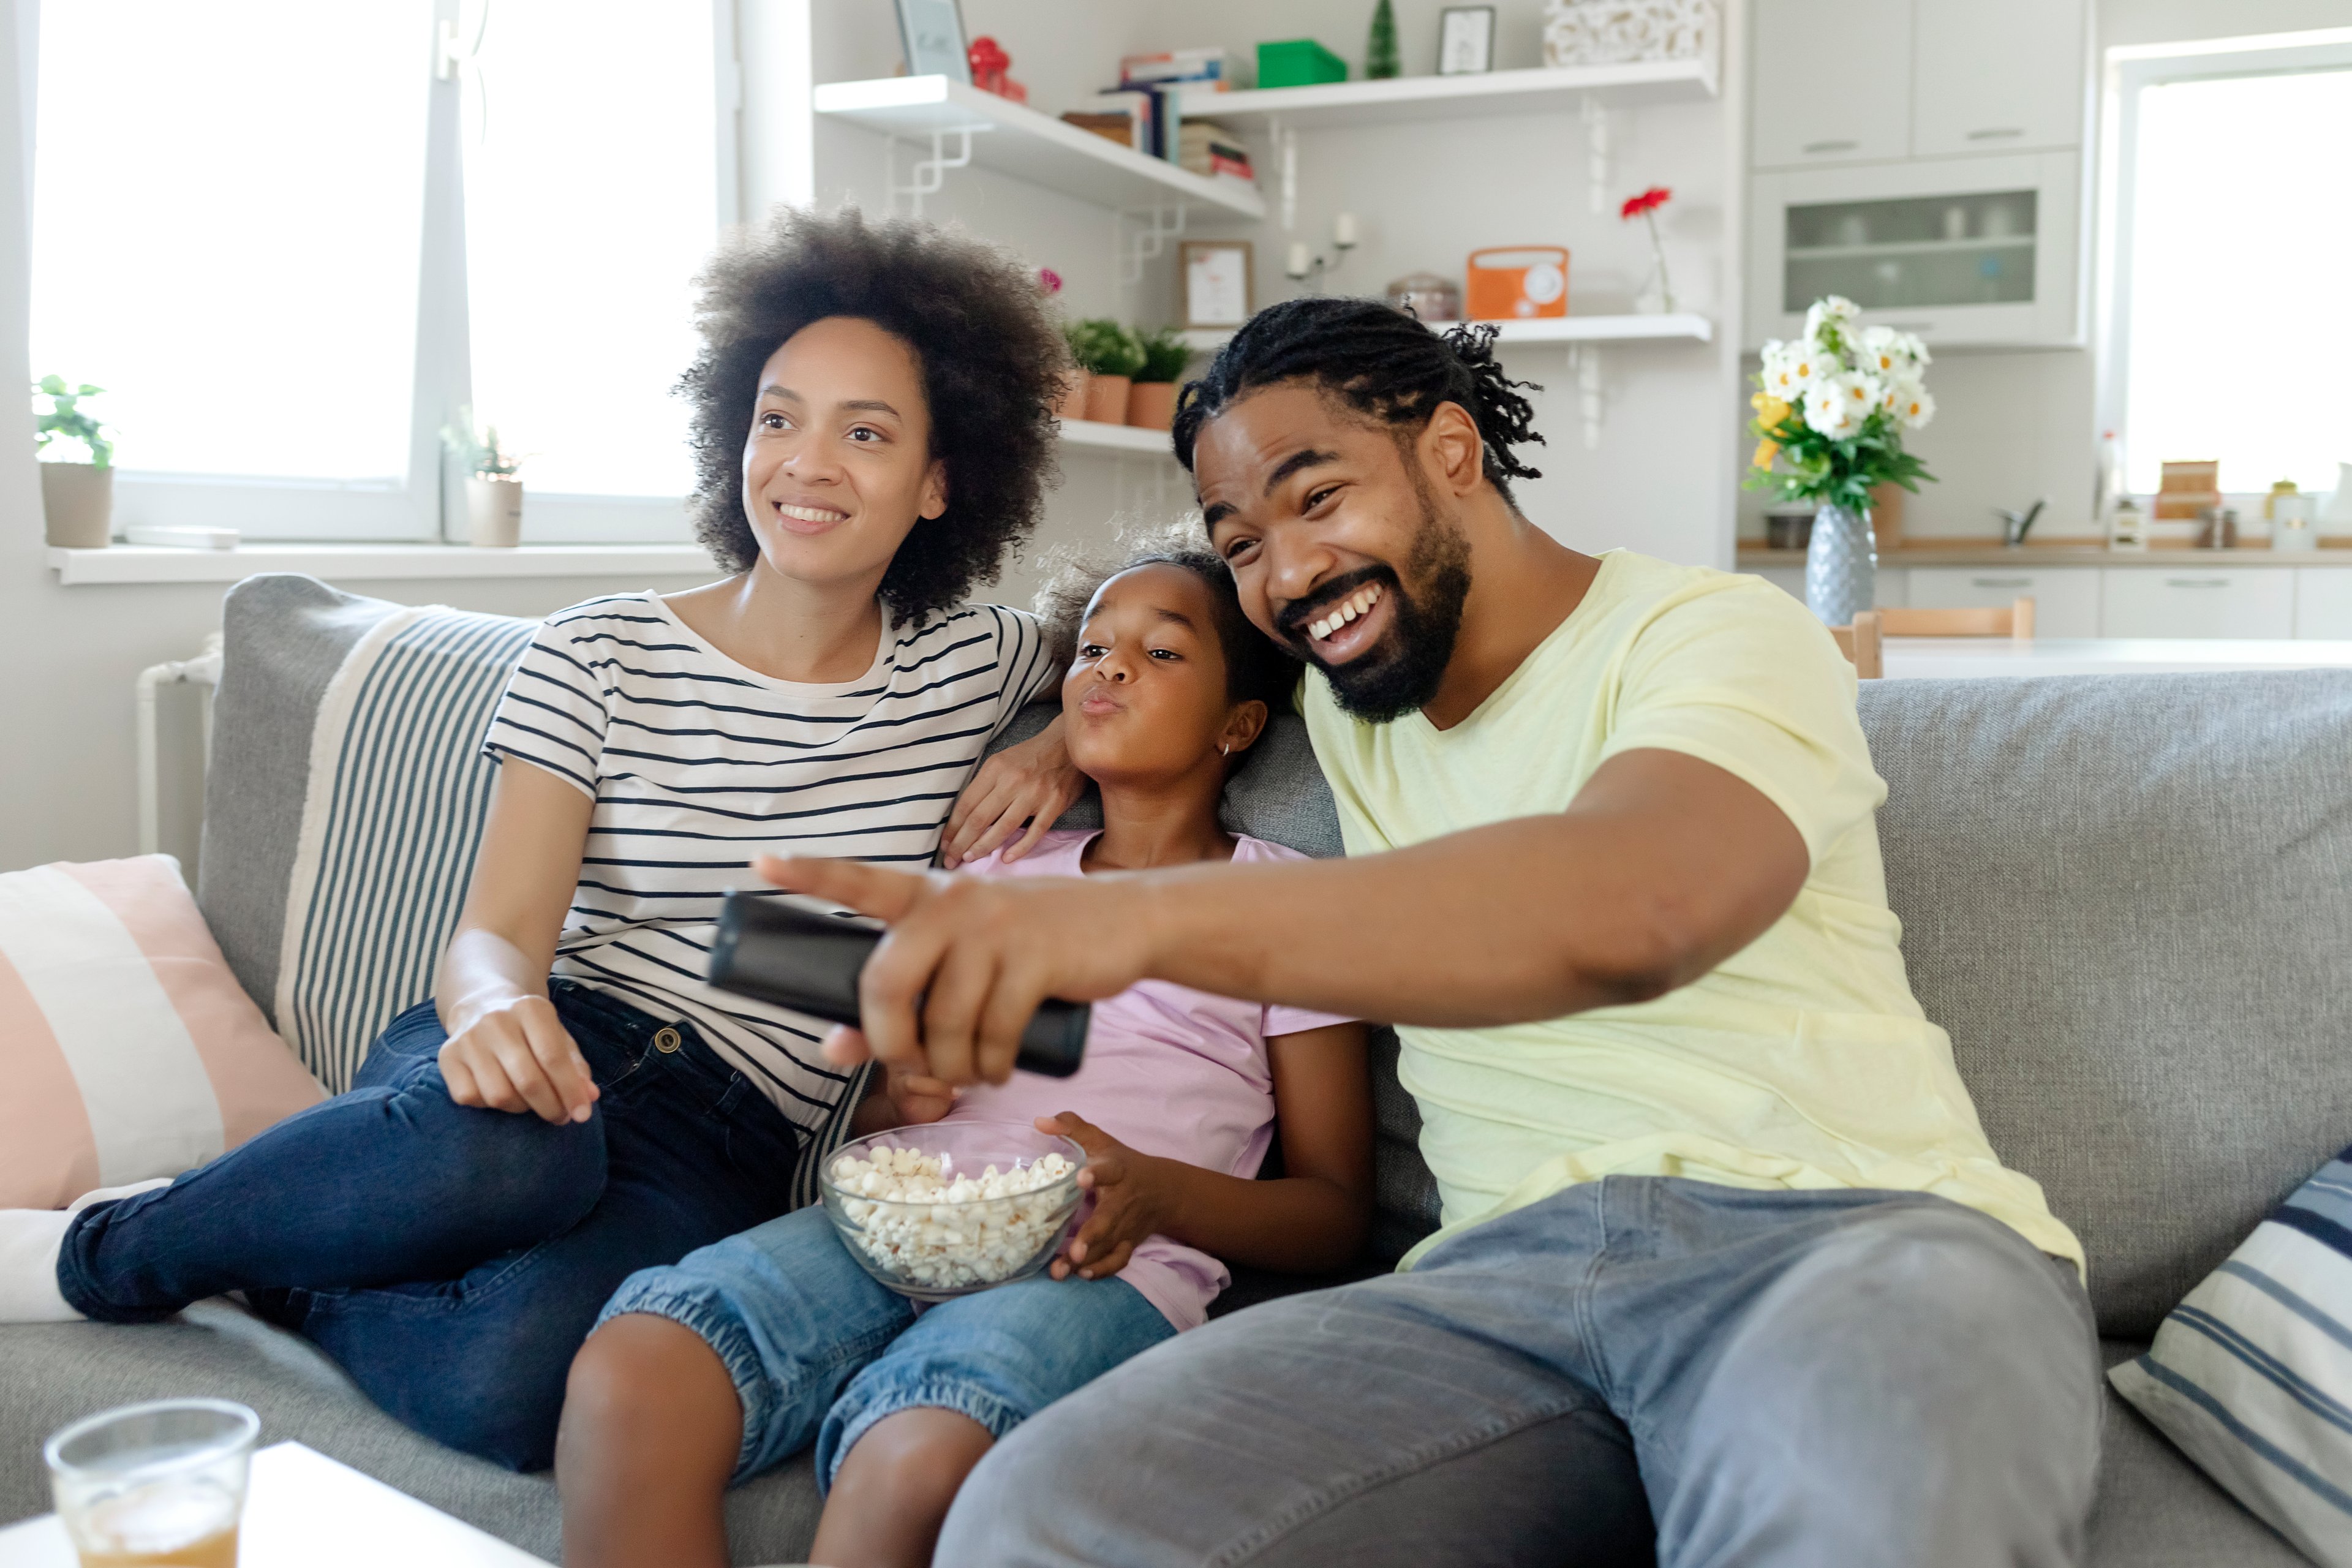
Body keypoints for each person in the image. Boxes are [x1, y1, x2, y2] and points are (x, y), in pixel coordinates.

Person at [755, 296, 2106, 1567]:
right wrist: (1068, 730)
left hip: (1843, 1240)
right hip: (1494, 1294)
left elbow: (1640, 901)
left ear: (1453, 450)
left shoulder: (1715, 635)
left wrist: (1131, 924)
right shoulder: (1351, 698)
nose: (1288, 572)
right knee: (1041, 1515)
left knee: (1862, 1509)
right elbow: (1174, 649)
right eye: (1243, 543)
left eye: (1319, 497)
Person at [0, 208, 1090, 1471]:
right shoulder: (599, 649)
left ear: (942, 481)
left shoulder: (971, 667)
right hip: (555, 1041)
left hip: (731, 1142)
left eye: (867, 432)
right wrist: (493, 1006)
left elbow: (1172, 620)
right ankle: (107, 1253)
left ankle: (284, 1266)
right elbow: (497, 933)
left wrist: (1062, 737)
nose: (807, 463)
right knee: (515, 1158)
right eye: (778, 418)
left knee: (519, 1386)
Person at [552, 545, 1374, 1568]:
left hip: (1097, 1263)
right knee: (633, 1367)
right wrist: (899, 1098)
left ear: (1240, 724)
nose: (1111, 667)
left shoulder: (1287, 907)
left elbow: (1336, 1213)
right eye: (1094, 649)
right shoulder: (994, 872)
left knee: (916, 1457)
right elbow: (876, 1114)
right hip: (898, 1223)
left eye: (1161, 653)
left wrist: (1162, 1194)